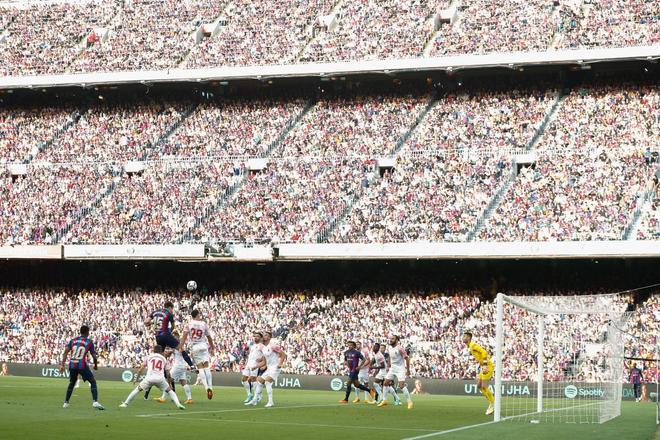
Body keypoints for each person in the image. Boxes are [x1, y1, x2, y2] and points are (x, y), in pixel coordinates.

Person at [119, 345, 185, 410]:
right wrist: (169, 383)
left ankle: (125, 403)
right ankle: (178, 404)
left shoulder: (149, 357)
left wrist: (136, 378)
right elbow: (168, 373)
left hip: (149, 378)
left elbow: (141, 369)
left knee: (137, 390)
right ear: (161, 351)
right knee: (170, 391)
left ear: (153, 350)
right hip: (160, 379)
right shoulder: (164, 359)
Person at [59, 325, 105, 410]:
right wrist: (95, 365)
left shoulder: (73, 340)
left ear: (80, 332)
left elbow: (65, 352)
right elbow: (94, 356)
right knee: (92, 381)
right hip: (82, 365)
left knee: (72, 383)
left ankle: (66, 403)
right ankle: (95, 401)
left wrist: (62, 364)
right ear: (87, 332)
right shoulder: (89, 342)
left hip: (72, 364)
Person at [180, 309, 215, 400]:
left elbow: (184, 337)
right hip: (203, 346)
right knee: (207, 368)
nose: (200, 316)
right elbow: (209, 337)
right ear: (197, 315)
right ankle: (211, 387)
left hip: (195, 347)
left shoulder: (188, 324)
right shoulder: (203, 324)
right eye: (199, 315)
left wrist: (180, 347)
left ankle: (206, 387)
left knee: (201, 369)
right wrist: (212, 347)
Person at [247, 330, 286, 408]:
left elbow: (283, 354)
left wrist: (280, 363)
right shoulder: (263, 348)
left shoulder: (273, 346)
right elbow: (264, 362)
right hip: (269, 368)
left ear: (269, 337)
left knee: (267, 382)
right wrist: (256, 366)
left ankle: (270, 402)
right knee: (260, 381)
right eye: (264, 335)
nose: (264, 336)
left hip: (275, 368)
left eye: (265, 335)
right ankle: (254, 400)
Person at [463, 331, 494, 415]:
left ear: (469, 338)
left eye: (465, 336)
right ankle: (491, 402)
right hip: (483, 366)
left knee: (484, 386)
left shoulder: (473, 345)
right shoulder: (470, 346)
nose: (463, 338)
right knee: (479, 386)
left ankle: (493, 403)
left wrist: (484, 365)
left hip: (487, 366)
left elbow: (484, 352)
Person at [378, 335, 413, 409]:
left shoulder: (400, 348)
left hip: (400, 369)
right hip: (392, 368)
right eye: (390, 338)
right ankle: (384, 400)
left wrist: (408, 370)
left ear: (397, 340)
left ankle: (409, 402)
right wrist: (388, 365)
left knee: (401, 386)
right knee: (385, 383)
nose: (390, 340)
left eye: (392, 339)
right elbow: (390, 357)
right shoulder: (390, 347)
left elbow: (407, 359)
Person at [241, 332, 266, 404]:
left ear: (261, 338)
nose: (256, 337)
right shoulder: (252, 345)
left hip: (255, 364)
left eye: (258, 336)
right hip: (248, 364)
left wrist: (261, 359)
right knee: (243, 379)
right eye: (255, 336)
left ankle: (257, 396)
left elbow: (266, 354)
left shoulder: (261, 346)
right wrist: (246, 348)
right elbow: (246, 349)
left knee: (253, 379)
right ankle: (249, 394)